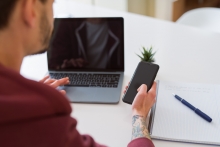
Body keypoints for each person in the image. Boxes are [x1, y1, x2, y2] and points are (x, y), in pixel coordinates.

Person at [0, 0, 157, 147]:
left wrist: (27, 95)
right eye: (52, 3)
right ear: (30, 8)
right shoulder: (41, 121)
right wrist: (139, 116)